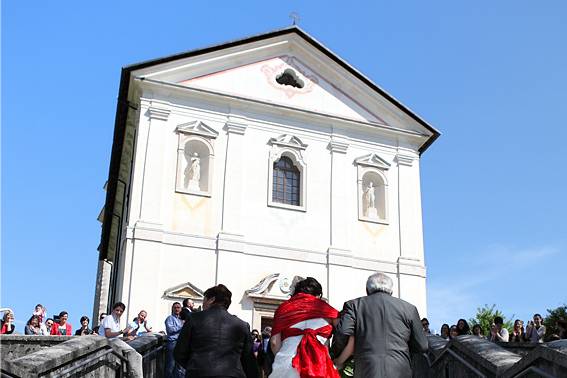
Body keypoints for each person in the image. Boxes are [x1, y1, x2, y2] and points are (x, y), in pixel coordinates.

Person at [334, 272, 428, 377]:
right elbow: (422, 345)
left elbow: (342, 332)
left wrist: (339, 356)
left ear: (367, 289)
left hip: (366, 368)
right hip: (401, 369)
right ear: (391, 290)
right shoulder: (409, 309)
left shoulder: (354, 305)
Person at [174, 284, 258, 378]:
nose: (203, 304)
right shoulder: (242, 325)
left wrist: (195, 368)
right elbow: (249, 361)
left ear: (212, 299)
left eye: (204, 300)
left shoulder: (194, 319)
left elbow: (179, 353)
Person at [269, 277, 340, 378]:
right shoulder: (328, 310)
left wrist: (282, 358)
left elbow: (274, 343)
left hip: (288, 363)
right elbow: (344, 331)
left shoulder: (283, 309)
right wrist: (339, 358)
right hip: (320, 365)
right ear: (318, 295)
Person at [165, 302, 185, 378]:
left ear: (181, 309)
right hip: (173, 343)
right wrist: (182, 325)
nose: (177, 309)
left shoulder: (181, 319)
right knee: (171, 365)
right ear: (172, 309)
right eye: (175, 307)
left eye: (178, 307)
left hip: (180, 343)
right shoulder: (170, 318)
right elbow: (170, 330)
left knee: (180, 365)